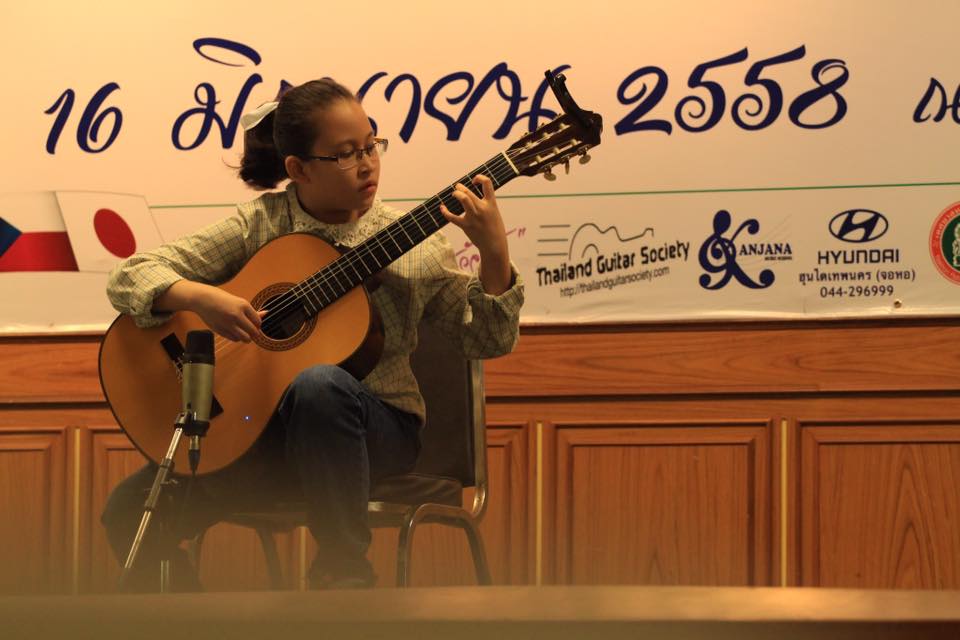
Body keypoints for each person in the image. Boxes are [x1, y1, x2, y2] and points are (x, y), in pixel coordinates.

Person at [100, 78, 524, 590]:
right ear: (298, 169)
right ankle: (192, 622)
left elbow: (488, 341)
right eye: (345, 154)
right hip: (265, 438)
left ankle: (343, 577)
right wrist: (201, 298)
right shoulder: (262, 225)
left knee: (319, 385)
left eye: (371, 146)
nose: (367, 164)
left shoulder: (417, 246)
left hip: (378, 431)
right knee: (128, 511)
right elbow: (129, 275)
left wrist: (494, 253)